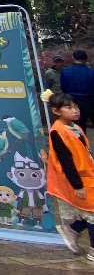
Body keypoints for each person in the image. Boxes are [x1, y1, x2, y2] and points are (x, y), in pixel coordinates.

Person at [45, 93, 94, 257]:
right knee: (92, 212)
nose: (75, 110)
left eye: (76, 107)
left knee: (91, 211)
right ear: (56, 111)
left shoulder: (76, 127)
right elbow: (66, 160)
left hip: (87, 176)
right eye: (69, 107)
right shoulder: (57, 131)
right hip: (77, 179)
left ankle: (72, 229)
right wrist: (77, 185)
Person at [61, 50, 94, 129]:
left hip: (73, 100)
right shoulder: (91, 72)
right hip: (90, 100)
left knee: (78, 126)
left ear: (73, 58)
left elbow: (63, 88)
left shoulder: (65, 71)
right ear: (86, 59)